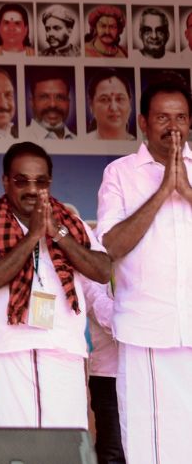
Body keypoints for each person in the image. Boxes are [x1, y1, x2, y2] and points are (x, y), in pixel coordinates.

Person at [0, 142, 111, 428]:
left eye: (41, 182)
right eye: (21, 181)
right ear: (5, 181)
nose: (32, 190)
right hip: (12, 353)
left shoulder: (71, 224)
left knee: (65, 445)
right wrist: (33, 235)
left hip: (65, 352)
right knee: (12, 445)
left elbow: (102, 271)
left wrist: (56, 232)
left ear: (49, 183)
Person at [96, 72, 192, 463]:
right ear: (143, 122)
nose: (173, 127)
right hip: (147, 330)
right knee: (150, 446)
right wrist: (163, 190)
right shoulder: (120, 173)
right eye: (163, 117)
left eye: (181, 117)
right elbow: (112, 245)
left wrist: (186, 191)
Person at [82, 278, 126, 464]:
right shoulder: (94, 264)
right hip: (109, 376)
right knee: (113, 452)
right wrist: (139, 315)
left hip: (153, 369)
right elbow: (102, 311)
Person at [25, 68, 75, 140]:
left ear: (68, 102)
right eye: (44, 97)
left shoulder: (78, 140)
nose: (52, 104)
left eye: (60, 97)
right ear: (32, 102)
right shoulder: (22, 138)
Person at [85, 69, 135, 140]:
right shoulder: (82, 143)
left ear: (129, 103)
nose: (113, 108)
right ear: (91, 105)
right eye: (104, 99)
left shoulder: (142, 145)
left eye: (119, 99)